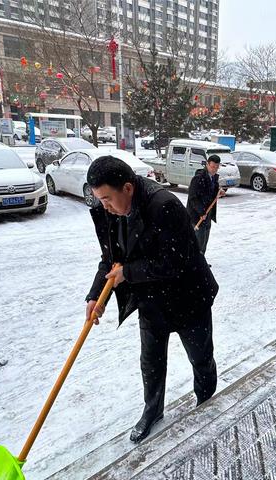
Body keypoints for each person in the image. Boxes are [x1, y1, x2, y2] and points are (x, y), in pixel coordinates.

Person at [85, 155, 219, 444]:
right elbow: (111, 259)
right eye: (100, 200)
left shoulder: (164, 206)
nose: (104, 206)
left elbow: (177, 262)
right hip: (151, 302)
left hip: (188, 298)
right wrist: (97, 296)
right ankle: (152, 411)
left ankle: (206, 404)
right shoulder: (110, 210)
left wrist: (128, 273)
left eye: (107, 199)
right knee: (151, 363)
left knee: (200, 358)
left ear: (128, 188)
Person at [186, 154, 225, 255]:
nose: (214, 169)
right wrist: (201, 212)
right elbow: (193, 198)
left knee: (204, 242)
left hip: (207, 215)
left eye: (217, 167)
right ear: (207, 164)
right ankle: (196, 265)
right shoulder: (198, 178)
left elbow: (212, 192)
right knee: (198, 242)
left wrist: (219, 192)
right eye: (212, 167)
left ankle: (201, 262)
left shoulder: (213, 178)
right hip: (197, 216)